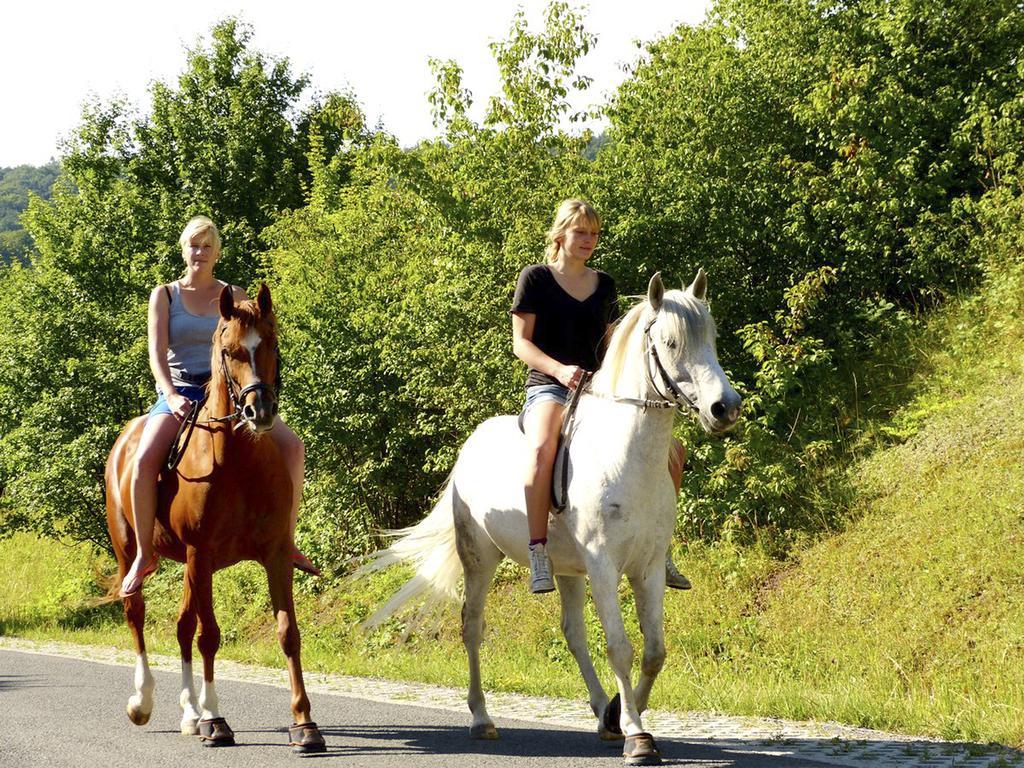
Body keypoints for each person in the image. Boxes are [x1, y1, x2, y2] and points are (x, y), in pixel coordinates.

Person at [119, 216, 318, 597]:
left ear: (216, 252)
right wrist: (171, 394)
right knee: (144, 459)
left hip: (229, 395)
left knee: (293, 446)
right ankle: (144, 553)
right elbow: (156, 354)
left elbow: (249, 348)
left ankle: (286, 539)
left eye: (207, 246)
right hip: (180, 392)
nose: (200, 252)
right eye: (194, 245)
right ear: (184, 249)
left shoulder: (234, 293)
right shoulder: (165, 295)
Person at [511, 199, 692, 594]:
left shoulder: (604, 283)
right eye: (581, 232)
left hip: (600, 389)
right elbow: (520, 345)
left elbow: (613, 343)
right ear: (560, 234)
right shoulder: (535, 279)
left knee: (673, 452)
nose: (589, 240)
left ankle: (661, 551)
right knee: (542, 449)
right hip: (549, 385)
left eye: (594, 234)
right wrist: (559, 370)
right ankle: (538, 550)